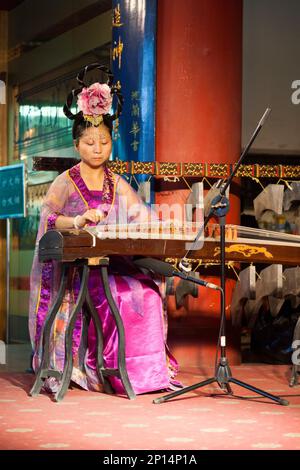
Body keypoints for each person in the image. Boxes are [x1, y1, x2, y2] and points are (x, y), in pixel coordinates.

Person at [29, 64, 179, 395]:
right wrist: (78, 221)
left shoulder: (117, 182)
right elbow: (49, 218)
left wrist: (163, 223)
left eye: (105, 142)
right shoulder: (65, 182)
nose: (98, 149)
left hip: (113, 262)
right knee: (123, 297)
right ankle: (109, 371)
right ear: (76, 144)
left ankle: (149, 374)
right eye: (90, 142)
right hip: (79, 269)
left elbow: (140, 215)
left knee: (147, 295)